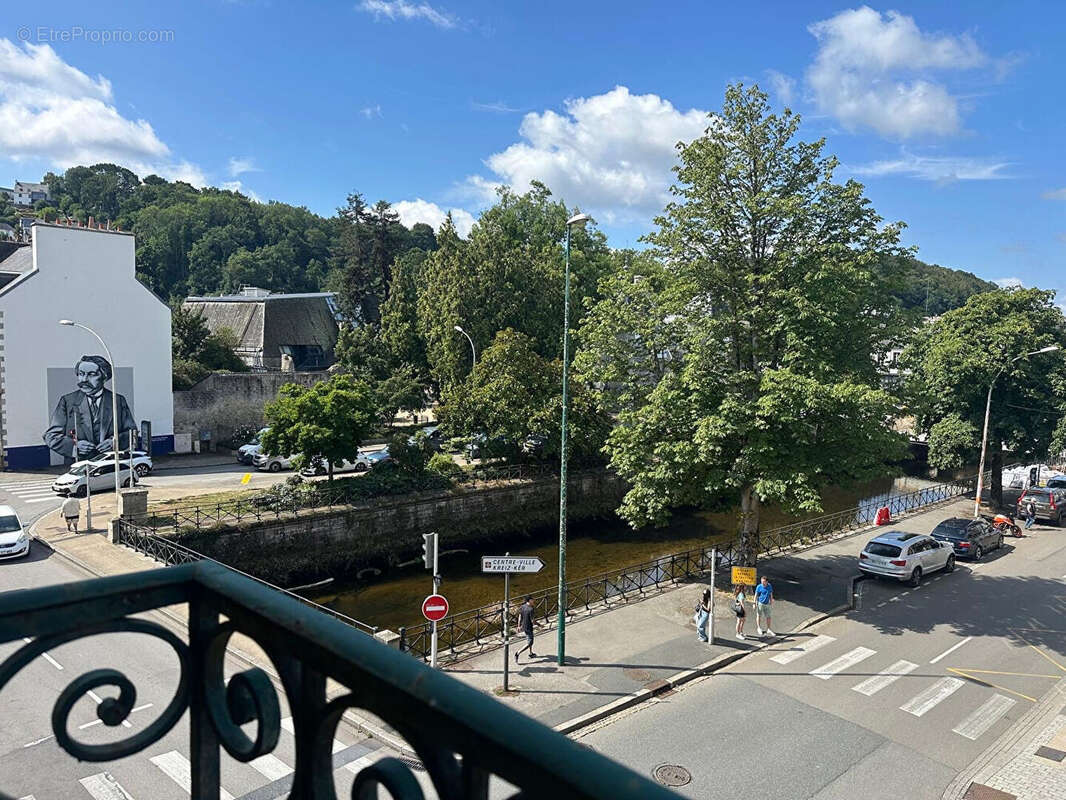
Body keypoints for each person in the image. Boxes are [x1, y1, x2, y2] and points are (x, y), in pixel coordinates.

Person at [44, 355, 137, 463]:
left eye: (91, 375)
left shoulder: (118, 400)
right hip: (78, 466)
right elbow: (50, 436)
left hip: (109, 464)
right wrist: (75, 446)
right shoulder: (67, 401)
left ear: (104, 377)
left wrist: (114, 442)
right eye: (81, 374)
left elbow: (132, 433)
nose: (84, 379)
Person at [514, 596, 536, 663]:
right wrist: (540, 625)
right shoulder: (531, 609)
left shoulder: (522, 606)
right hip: (529, 627)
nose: (534, 601)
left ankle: (531, 653)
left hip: (524, 626)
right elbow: (533, 621)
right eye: (532, 600)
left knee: (528, 640)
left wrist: (518, 626)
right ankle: (517, 653)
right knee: (530, 642)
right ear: (529, 600)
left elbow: (520, 617)